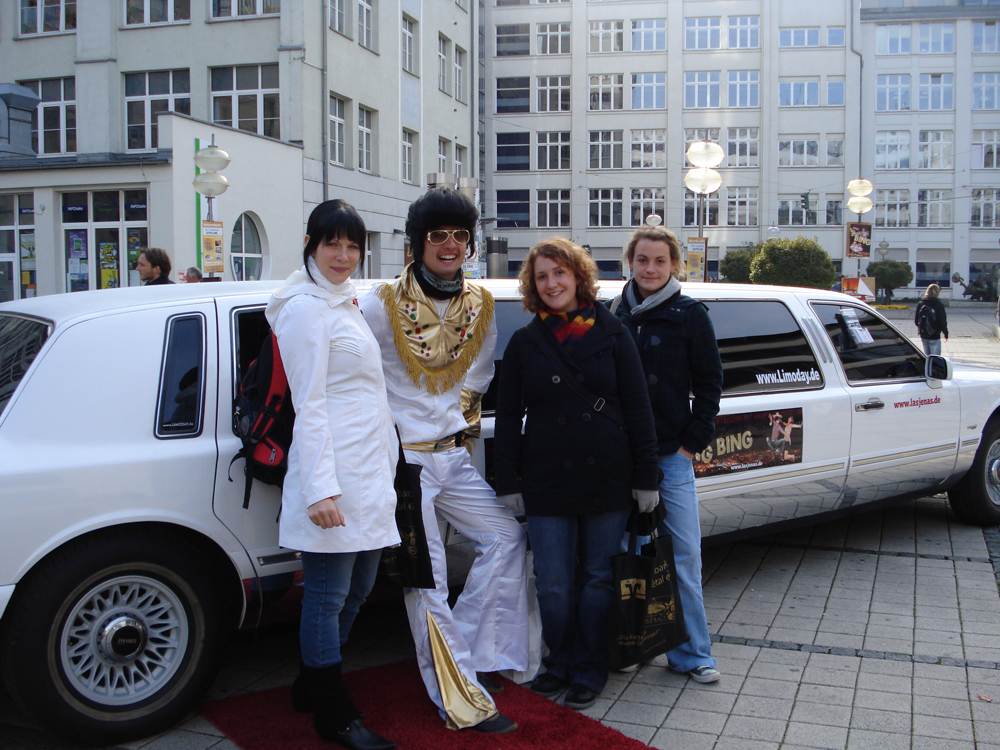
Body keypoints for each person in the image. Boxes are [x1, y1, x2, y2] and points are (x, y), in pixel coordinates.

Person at [358, 188, 527, 735]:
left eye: (460, 235)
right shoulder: (381, 303)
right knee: (425, 580)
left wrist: (455, 421)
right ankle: (459, 697)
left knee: (506, 538)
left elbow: (479, 374)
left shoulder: (479, 304)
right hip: (403, 463)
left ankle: (474, 654)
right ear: (417, 243)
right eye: (438, 235)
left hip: (452, 456)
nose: (450, 245)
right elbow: (357, 378)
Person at [493, 237, 659, 711]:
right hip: (545, 477)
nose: (552, 283)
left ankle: (589, 667)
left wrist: (646, 477)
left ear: (578, 276)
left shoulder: (613, 332)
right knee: (552, 580)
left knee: (598, 576)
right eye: (542, 276)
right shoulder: (525, 341)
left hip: (608, 474)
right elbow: (508, 417)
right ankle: (559, 662)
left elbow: (638, 407)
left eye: (560, 273)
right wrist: (507, 481)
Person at [265, 200, 399, 750]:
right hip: (334, 478)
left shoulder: (344, 302)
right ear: (310, 245)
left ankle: (310, 683)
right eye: (332, 244)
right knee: (326, 596)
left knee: (359, 588)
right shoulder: (304, 309)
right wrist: (321, 490)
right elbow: (310, 404)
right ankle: (331, 707)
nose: (343, 256)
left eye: (352, 246)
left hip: (367, 474)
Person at [611, 225, 724, 684]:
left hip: (670, 455)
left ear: (674, 265)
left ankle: (692, 655)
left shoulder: (691, 314)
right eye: (642, 260)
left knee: (682, 557)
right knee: (626, 554)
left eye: (660, 261)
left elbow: (711, 385)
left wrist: (689, 442)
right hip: (621, 455)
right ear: (630, 262)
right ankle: (632, 644)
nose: (650, 268)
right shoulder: (613, 312)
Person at [915, 283, 948, 355]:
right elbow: (942, 321)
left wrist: (924, 328)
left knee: (927, 357)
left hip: (924, 335)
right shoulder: (939, 305)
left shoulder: (921, 304)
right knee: (935, 358)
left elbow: (916, 321)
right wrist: (945, 333)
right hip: (935, 335)